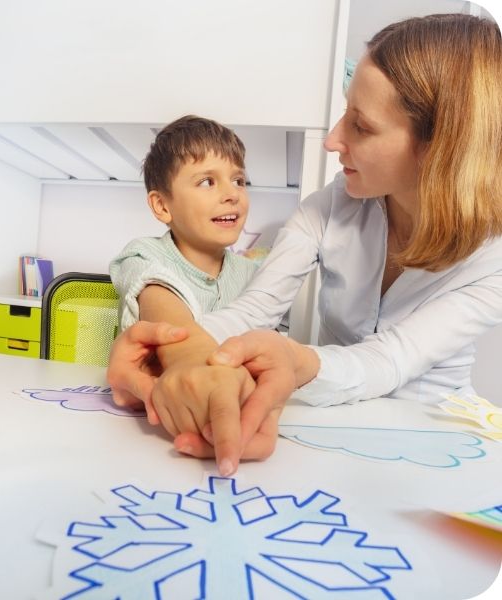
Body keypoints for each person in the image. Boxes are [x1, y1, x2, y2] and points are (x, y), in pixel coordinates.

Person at [108, 13, 502, 475]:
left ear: (439, 149)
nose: (334, 140)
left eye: (362, 126)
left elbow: (392, 360)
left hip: (436, 436)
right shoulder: (330, 206)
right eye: (344, 112)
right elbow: (255, 310)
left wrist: (295, 363)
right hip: (331, 426)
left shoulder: (491, 257)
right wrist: (174, 355)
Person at [109, 115, 261, 455]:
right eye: (207, 182)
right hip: (149, 434)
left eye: (239, 180)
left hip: (230, 417)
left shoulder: (251, 275)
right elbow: (159, 295)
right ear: (163, 206)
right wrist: (190, 357)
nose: (231, 195)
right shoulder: (144, 254)